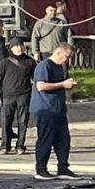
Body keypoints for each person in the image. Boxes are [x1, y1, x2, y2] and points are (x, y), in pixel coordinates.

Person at [31, 40, 78, 178]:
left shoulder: (60, 67)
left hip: (58, 108)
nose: (67, 60)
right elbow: (41, 86)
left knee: (63, 139)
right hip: (45, 108)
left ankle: (63, 166)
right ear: (58, 53)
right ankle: (41, 168)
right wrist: (63, 84)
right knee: (46, 138)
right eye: (67, 56)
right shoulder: (44, 66)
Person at [0, 41, 34, 155]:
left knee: (23, 122)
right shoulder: (5, 62)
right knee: (6, 121)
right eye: (16, 46)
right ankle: (5, 145)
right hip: (8, 95)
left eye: (21, 45)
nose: (19, 48)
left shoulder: (30, 62)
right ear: (11, 48)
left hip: (24, 95)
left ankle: (20, 145)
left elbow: (35, 77)